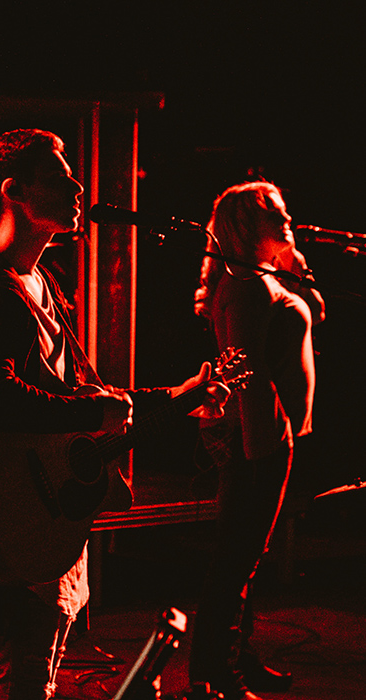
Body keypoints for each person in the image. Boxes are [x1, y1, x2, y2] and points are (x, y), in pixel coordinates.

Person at [0, 129, 230, 700]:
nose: (77, 187)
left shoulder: (40, 281)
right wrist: (94, 410)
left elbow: (85, 397)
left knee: (32, 676)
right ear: (12, 191)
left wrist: (180, 395)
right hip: (7, 514)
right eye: (58, 177)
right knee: (20, 679)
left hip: (44, 511)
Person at [187, 182, 324, 700]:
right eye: (276, 214)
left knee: (246, 555)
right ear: (247, 226)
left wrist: (293, 265)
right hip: (256, 440)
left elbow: (315, 312)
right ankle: (215, 673)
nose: (288, 219)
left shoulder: (262, 277)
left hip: (267, 436)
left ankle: (238, 659)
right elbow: (245, 377)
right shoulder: (245, 286)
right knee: (236, 559)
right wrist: (257, 453)